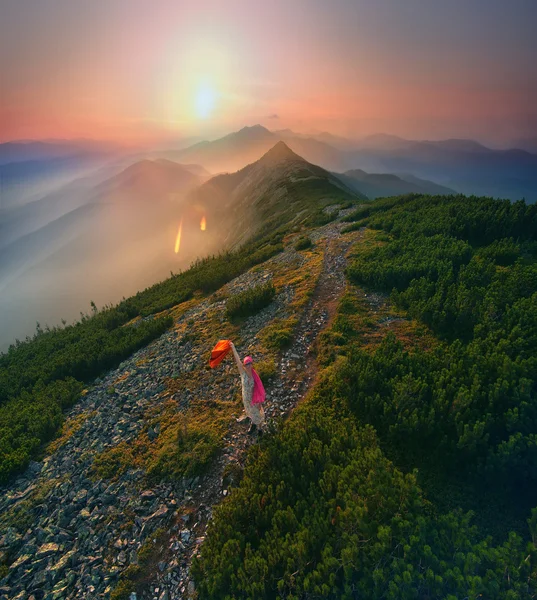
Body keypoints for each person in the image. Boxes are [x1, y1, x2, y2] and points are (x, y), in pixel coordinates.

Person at [230, 341, 265, 434]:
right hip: (246, 399)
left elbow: (259, 389)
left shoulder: (255, 376)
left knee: (258, 414)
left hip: (254, 399)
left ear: (252, 364)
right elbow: (237, 360)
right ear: (244, 365)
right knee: (250, 413)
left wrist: (259, 402)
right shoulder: (243, 373)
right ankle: (253, 425)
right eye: (246, 364)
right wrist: (233, 347)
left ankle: (260, 429)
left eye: (250, 363)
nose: (248, 365)